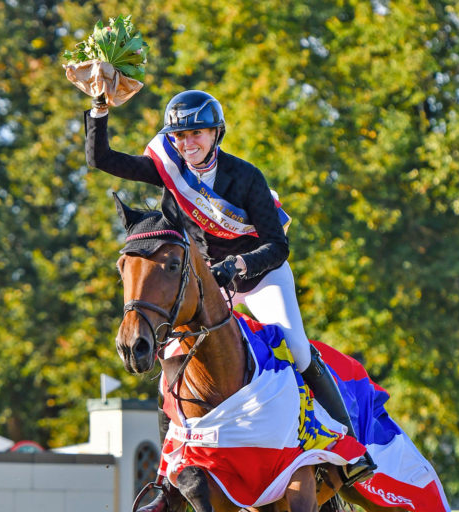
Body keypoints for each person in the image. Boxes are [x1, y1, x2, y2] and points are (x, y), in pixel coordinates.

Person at [85, 90, 375, 511]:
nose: (188, 144)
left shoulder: (245, 177)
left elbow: (278, 245)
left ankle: (348, 450)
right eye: (180, 136)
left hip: (260, 273)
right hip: (207, 282)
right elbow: (102, 160)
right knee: (171, 362)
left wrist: (239, 266)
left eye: (196, 134)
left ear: (216, 133)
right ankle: (167, 484)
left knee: (294, 347)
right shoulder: (169, 171)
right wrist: (100, 108)